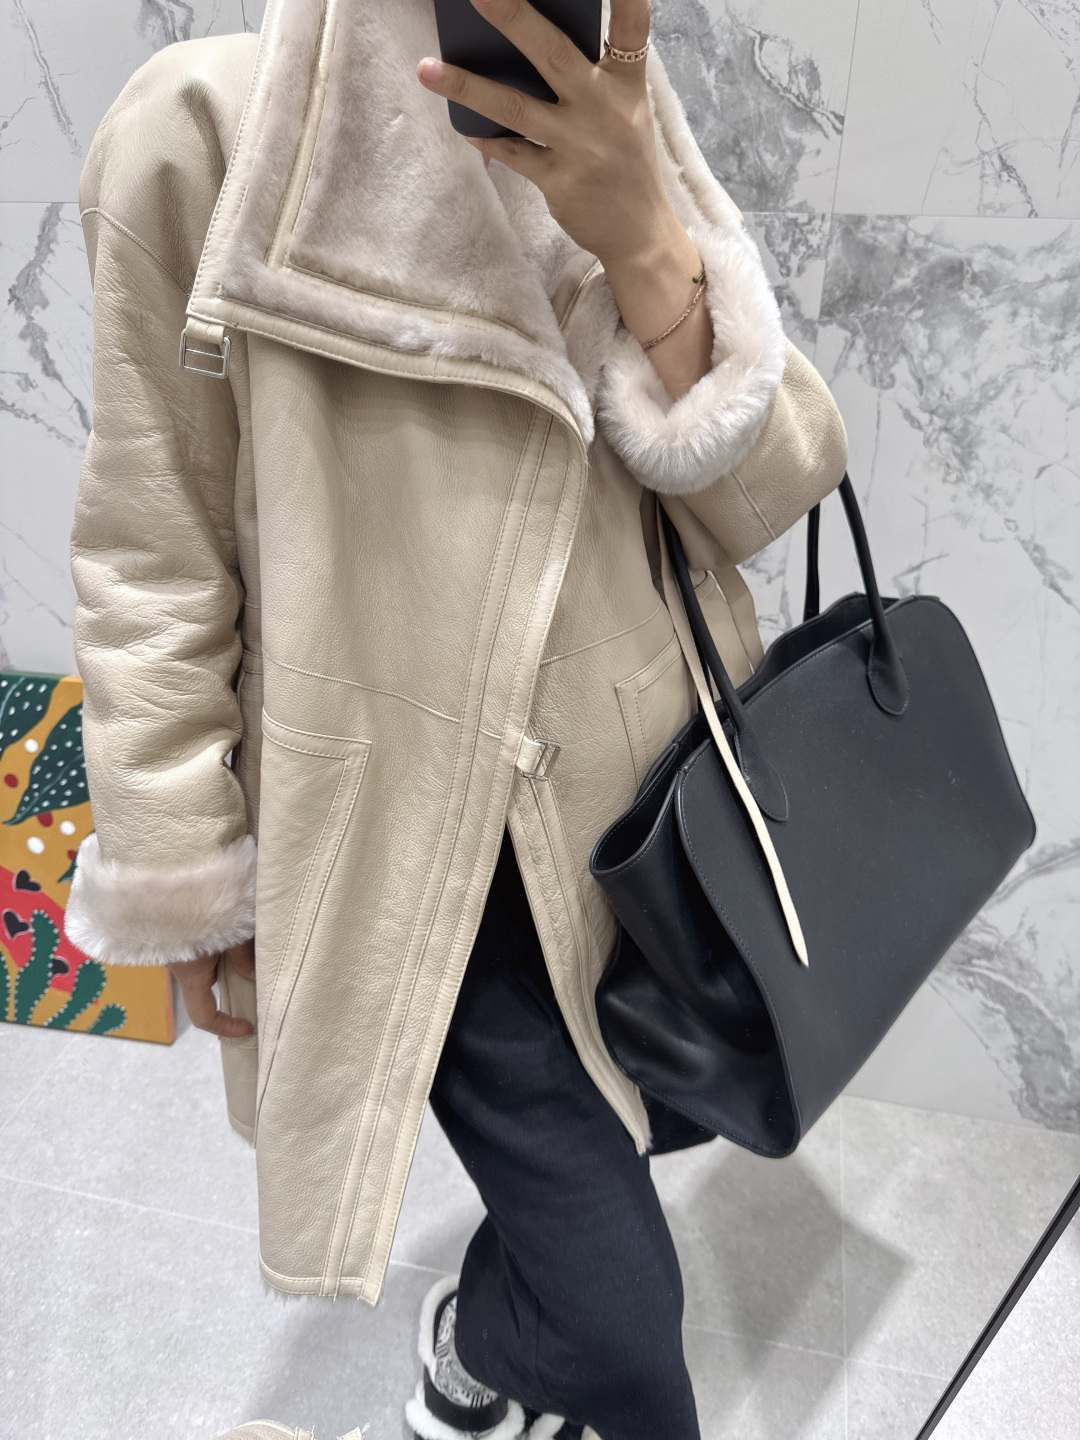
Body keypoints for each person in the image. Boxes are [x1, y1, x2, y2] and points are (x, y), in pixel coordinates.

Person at [64, 1, 848, 1437]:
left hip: (642, 796)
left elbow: (767, 492)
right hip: (409, 832)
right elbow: (150, 548)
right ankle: (507, 1345)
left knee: (660, 1119)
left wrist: (646, 239)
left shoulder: (617, 101)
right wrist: (189, 865)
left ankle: (488, 1347)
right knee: (627, 1338)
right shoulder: (208, 126)